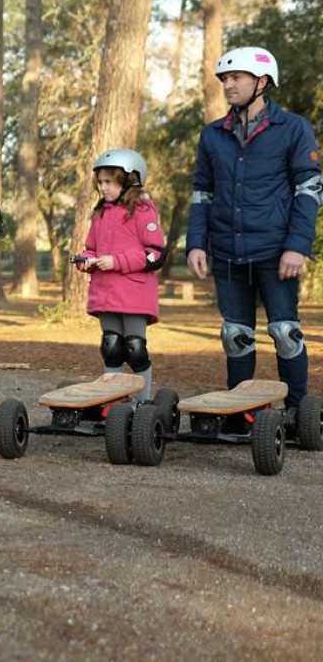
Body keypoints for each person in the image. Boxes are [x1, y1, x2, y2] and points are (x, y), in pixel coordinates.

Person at [187, 46, 322, 416]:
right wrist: (196, 243)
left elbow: (309, 189)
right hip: (227, 250)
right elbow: (202, 193)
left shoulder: (294, 129)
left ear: (262, 82)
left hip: (276, 251)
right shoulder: (213, 134)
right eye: (224, 79)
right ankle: (239, 411)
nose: (227, 85)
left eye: (235, 78)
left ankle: (297, 413)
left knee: (285, 332)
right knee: (235, 335)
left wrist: (297, 246)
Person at [73, 149, 167, 401]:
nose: (103, 188)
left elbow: (155, 253)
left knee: (135, 348)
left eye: (109, 182)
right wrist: (85, 260)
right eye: (100, 182)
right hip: (107, 293)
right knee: (111, 346)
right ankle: (113, 402)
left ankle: (142, 404)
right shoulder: (101, 213)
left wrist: (117, 261)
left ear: (129, 180)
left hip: (135, 294)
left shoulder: (143, 210)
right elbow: (91, 247)